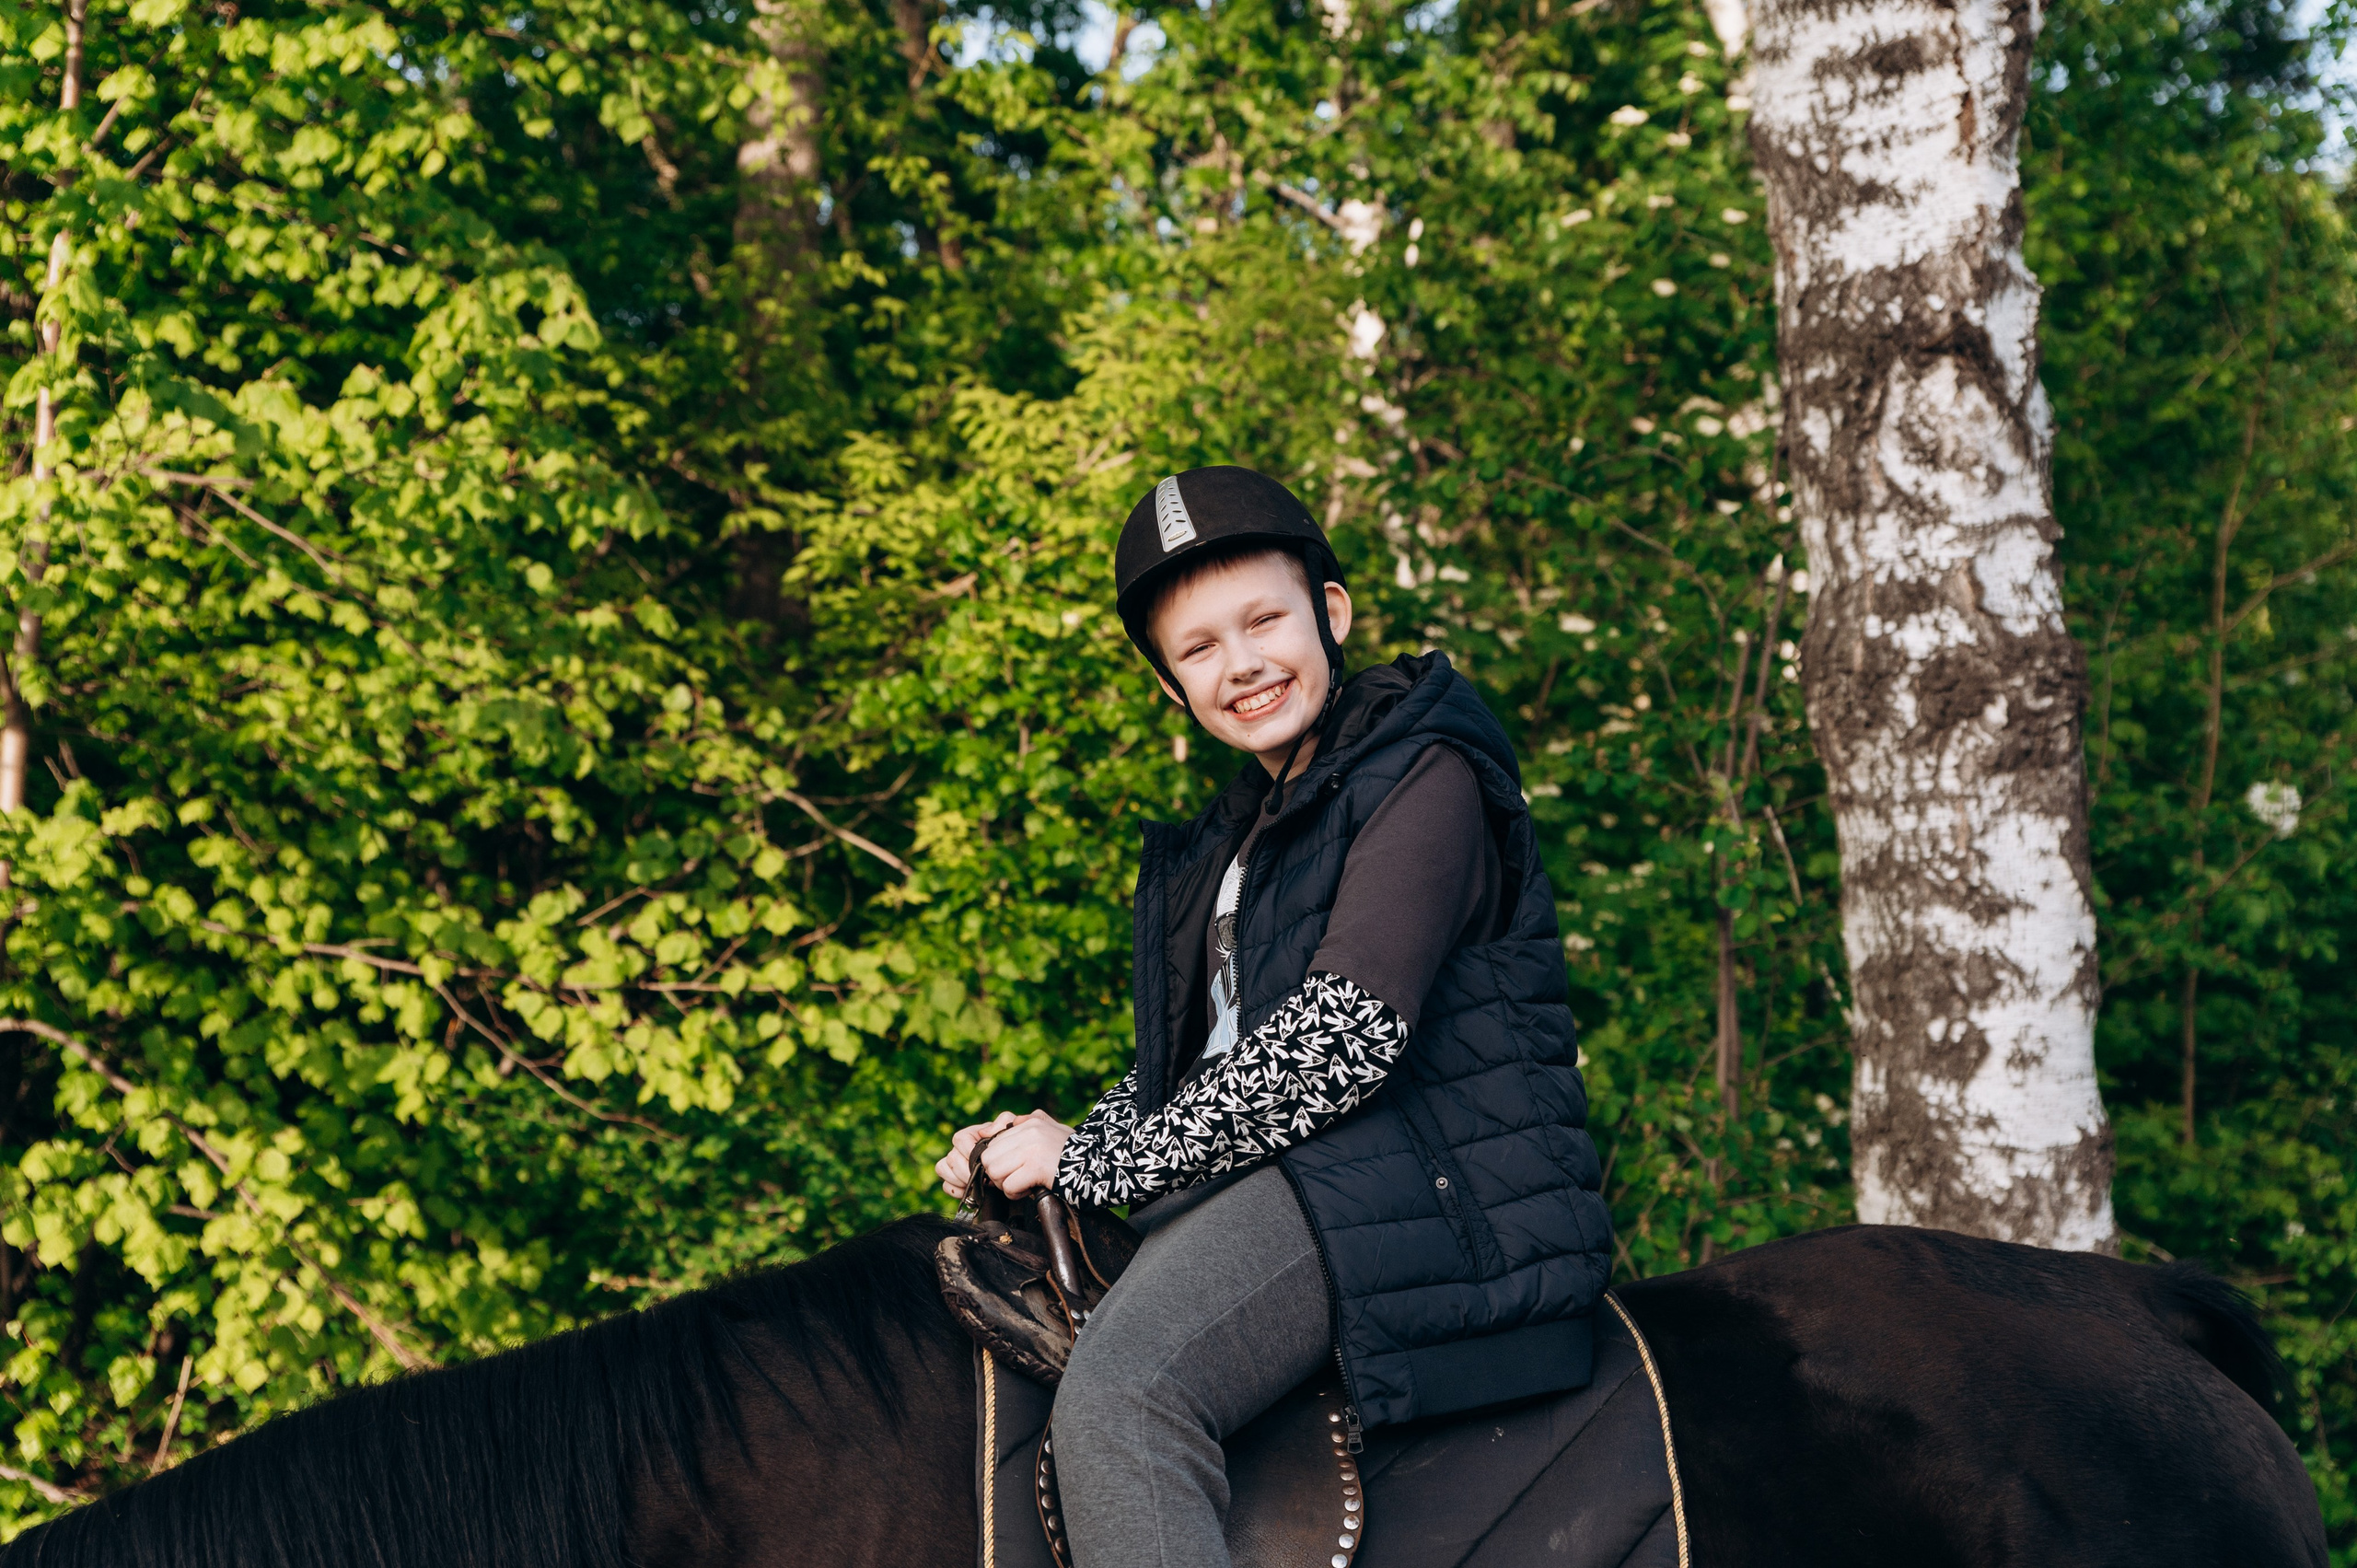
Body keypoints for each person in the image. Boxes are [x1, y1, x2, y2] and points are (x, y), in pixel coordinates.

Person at [935, 466, 1611, 1568]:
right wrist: (1046, 1146)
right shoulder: (1254, 829)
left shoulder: (1422, 768)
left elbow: (1342, 1039)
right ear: (1169, 684)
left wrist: (1107, 1164)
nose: (1240, 664)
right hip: (1317, 1168)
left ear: (1329, 614)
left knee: (1123, 1397)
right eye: (1198, 647)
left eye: (1264, 620)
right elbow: (1210, 1060)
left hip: (1418, 1181)